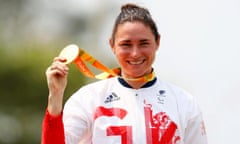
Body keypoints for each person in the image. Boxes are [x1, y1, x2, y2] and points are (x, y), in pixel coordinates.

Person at [41, 3, 208, 144]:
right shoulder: (88, 99)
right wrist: (55, 96)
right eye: (126, 44)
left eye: (144, 43)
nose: (135, 53)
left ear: (158, 42)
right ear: (112, 45)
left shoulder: (183, 102)